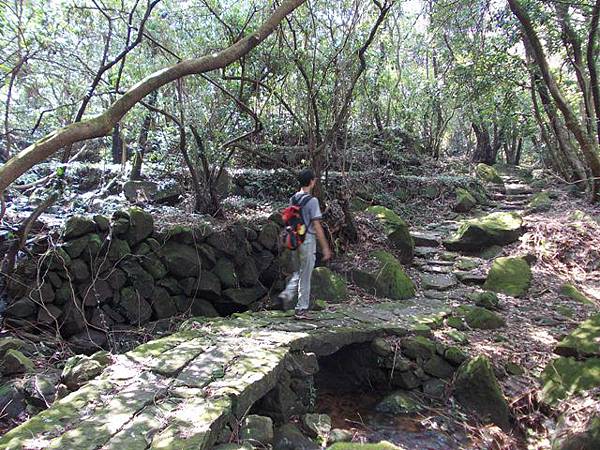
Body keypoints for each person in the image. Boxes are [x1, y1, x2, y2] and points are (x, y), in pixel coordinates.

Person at [279, 168, 332, 317]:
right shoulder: (313, 201)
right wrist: (325, 247)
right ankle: (301, 308)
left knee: (299, 271)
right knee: (305, 274)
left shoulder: (294, 198)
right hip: (307, 240)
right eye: (314, 179)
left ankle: (290, 297)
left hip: (295, 240)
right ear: (311, 182)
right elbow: (317, 226)